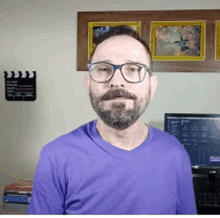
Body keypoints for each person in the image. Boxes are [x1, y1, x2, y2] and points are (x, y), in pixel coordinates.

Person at [27, 25, 197, 214]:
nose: (117, 81)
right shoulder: (55, 157)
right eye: (103, 69)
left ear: (152, 85)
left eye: (133, 68)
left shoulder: (175, 153)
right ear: (88, 84)